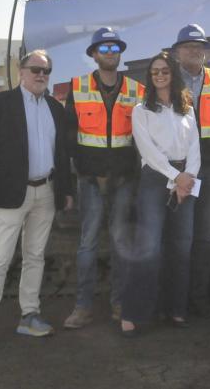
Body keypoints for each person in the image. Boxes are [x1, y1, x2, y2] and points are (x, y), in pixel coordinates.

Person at [0, 50, 72, 347]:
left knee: (35, 257)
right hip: (11, 193)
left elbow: (61, 155)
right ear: (21, 71)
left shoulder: (55, 108)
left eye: (47, 70)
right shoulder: (0, 103)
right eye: (36, 69)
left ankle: (29, 316)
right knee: (0, 257)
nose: (41, 75)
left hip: (47, 192)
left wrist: (65, 191)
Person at [62, 27, 144, 330]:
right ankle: (82, 307)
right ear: (94, 55)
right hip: (90, 179)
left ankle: (119, 303)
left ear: (120, 54)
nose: (110, 54)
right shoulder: (78, 87)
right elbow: (70, 135)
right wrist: (83, 171)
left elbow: (142, 137)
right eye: (104, 49)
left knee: (121, 241)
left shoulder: (137, 90)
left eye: (114, 49)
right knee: (88, 243)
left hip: (123, 179)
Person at [120, 52, 201, 336]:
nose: (160, 75)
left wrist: (187, 178)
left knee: (181, 247)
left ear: (173, 73)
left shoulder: (187, 108)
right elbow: (148, 152)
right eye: (155, 71)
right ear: (150, 77)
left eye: (164, 70)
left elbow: (195, 146)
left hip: (186, 180)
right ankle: (134, 313)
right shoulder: (142, 110)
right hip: (156, 180)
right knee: (150, 248)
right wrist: (175, 177)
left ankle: (175, 310)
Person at [171, 24, 210, 318]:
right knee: (181, 237)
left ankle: (199, 299)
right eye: (188, 46)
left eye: (199, 46)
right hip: (179, 169)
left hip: (209, 168)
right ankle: (176, 302)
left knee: (203, 237)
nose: (194, 50)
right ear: (178, 51)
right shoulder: (167, 78)